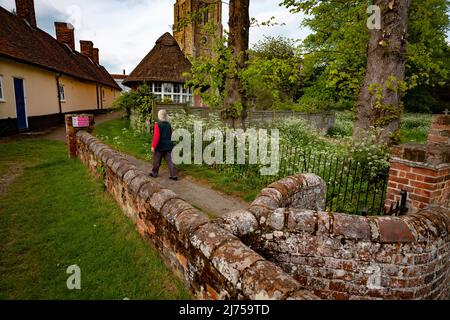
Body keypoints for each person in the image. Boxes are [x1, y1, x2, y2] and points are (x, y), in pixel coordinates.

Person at [150, 110, 178, 181]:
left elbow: (156, 136)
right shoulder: (169, 125)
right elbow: (172, 134)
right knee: (170, 161)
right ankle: (174, 175)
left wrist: (153, 146)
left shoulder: (157, 125)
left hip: (160, 147)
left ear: (159, 116)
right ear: (165, 116)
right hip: (168, 146)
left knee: (156, 161)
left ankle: (154, 173)